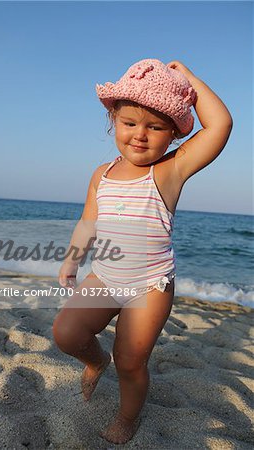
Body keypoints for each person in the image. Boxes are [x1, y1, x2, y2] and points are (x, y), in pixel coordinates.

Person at [53, 59, 233, 444]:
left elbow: (220, 125)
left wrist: (190, 80)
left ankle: (127, 416)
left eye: (155, 126)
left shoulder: (171, 170)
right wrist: (73, 257)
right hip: (106, 274)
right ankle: (95, 361)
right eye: (130, 123)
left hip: (150, 285)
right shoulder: (101, 174)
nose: (140, 135)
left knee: (131, 361)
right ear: (113, 121)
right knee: (66, 334)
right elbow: (89, 221)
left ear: (173, 133)